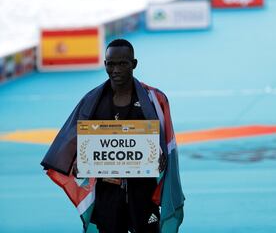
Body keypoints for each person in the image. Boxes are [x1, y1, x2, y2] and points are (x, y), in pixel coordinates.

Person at [41, 39, 185, 233]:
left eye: (122, 63)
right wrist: (80, 164)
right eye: (111, 64)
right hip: (106, 196)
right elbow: (75, 152)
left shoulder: (154, 100)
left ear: (134, 64)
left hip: (143, 193)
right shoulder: (91, 101)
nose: (116, 70)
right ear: (105, 65)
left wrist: (161, 160)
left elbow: (166, 146)